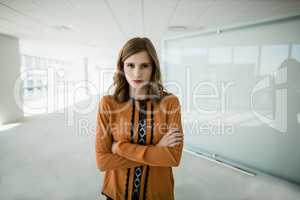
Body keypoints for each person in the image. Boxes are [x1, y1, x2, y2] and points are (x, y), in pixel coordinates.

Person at [95, 37, 184, 200]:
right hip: (117, 194)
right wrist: (156, 149)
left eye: (144, 65)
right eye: (130, 65)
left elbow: (172, 157)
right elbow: (103, 161)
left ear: (153, 68)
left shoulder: (170, 103)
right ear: (121, 67)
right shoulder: (108, 104)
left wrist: (120, 148)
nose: (137, 73)